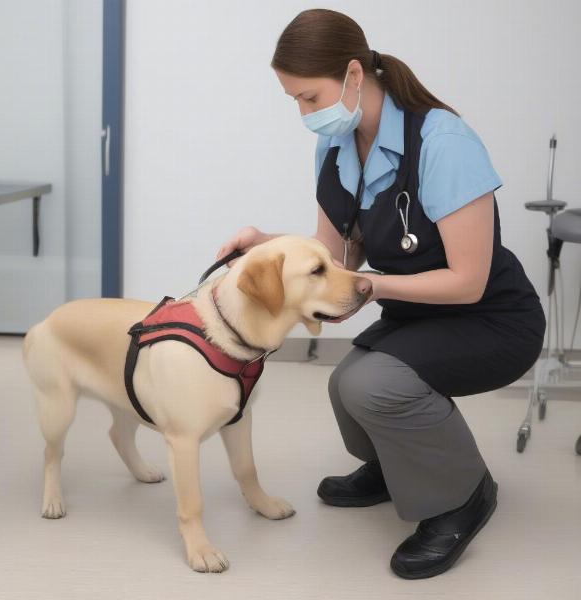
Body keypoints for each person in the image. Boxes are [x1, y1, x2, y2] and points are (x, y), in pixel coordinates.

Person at [215, 8, 546, 579]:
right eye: (293, 101)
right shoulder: (336, 146)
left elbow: (467, 280)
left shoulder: (443, 140)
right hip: (421, 313)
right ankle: (400, 468)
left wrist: (369, 286)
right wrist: (264, 246)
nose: (303, 114)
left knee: (373, 384)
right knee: (345, 383)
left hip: (492, 318)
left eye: (309, 99)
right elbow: (335, 255)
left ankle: (462, 496)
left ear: (352, 75)